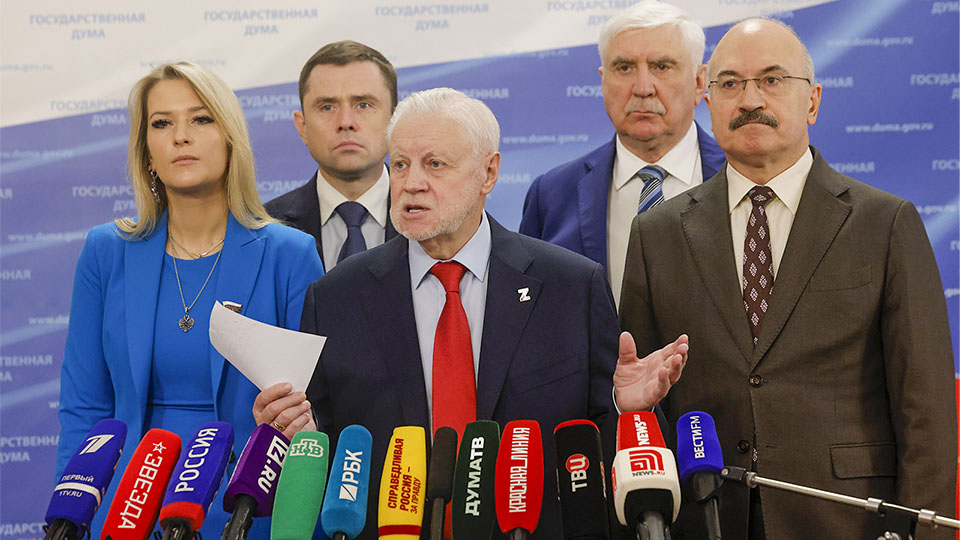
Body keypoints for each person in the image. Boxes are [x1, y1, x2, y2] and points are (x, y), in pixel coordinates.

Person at [614, 18, 956, 540]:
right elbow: (639, 391)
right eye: (730, 83)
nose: (750, 99)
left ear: (813, 101)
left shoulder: (884, 223)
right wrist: (627, 405)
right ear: (708, 100)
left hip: (848, 521)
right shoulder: (657, 233)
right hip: (707, 517)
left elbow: (925, 409)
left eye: (772, 80)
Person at [257, 87, 619, 539]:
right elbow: (328, 446)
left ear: (489, 173)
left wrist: (631, 406)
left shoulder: (571, 286)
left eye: (435, 164)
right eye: (400, 164)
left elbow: (605, 431)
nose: (411, 183)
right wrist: (299, 434)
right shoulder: (335, 298)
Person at [55, 62, 324, 538]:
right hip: (125, 510)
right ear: (146, 150)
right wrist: (71, 518)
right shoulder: (106, 251)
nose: (181, 136)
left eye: (200, 119)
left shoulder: (290, 254)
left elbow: (317, 412)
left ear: (230, 138)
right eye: (162, 123)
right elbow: (85, 406)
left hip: (247, 508)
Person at [519, 0, 725, 306]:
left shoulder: (742, 178)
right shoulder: (551, 194)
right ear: (603, 82)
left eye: (662, 67)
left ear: (698, 82)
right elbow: (528, 310)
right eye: (624, 68)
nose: (643, 88)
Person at [265, 41, 399, 270]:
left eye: (363, 105)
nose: (345, 122)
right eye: (327, 107)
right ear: (302, 126)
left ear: (395, 121)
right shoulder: (265, 227)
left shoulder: (434, 221)